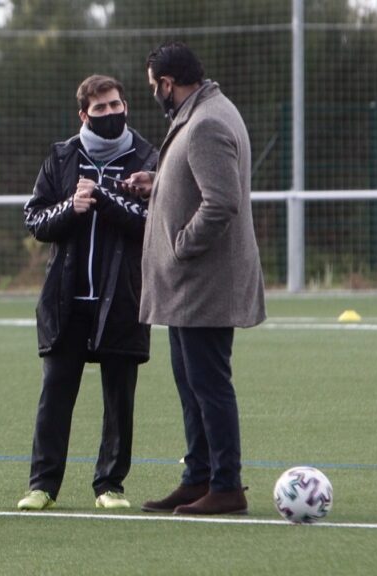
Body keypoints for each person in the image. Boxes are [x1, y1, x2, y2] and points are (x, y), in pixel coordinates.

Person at [127, 42, 266, 515]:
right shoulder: (206, 110)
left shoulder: (206, 121)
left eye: (153, 87)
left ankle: (226, 485)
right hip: (191, 286)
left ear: (168, 83)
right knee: (191, 382)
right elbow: (200, 184)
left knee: (208, 384)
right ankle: (199, 477)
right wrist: (158, 184)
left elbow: (222, 201)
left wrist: (182, 245)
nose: (155, 95)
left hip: (203, 281)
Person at [18, 75, 157, 511]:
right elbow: (36, 219)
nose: (111, 114)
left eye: (116, 105)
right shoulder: (62, 157)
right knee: (55, 396)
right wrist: (71, 208)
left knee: (120, 399)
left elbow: (152, 220)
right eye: (100, 109)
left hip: (124, 298)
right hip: (66, 301)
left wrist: (105, 200)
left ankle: (110, 485)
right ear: (84, 115)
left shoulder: (148, 156)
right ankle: (42, 485)